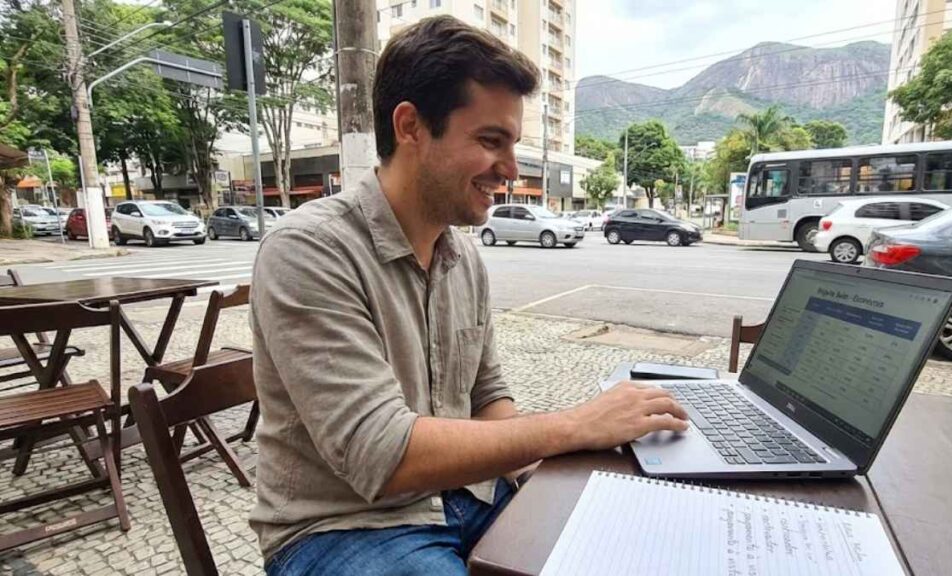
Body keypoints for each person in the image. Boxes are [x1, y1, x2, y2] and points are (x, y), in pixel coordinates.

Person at [249, 15, 689, 576]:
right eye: (490, 141)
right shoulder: (308, 250)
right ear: (410, 126)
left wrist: (538, 474)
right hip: (344, 526)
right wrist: (574, 427)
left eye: (512, 145)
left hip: (471, 496)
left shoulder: (464, 257)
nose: (508, 170)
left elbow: (487, 396)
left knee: (624, 545)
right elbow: (379, 454)